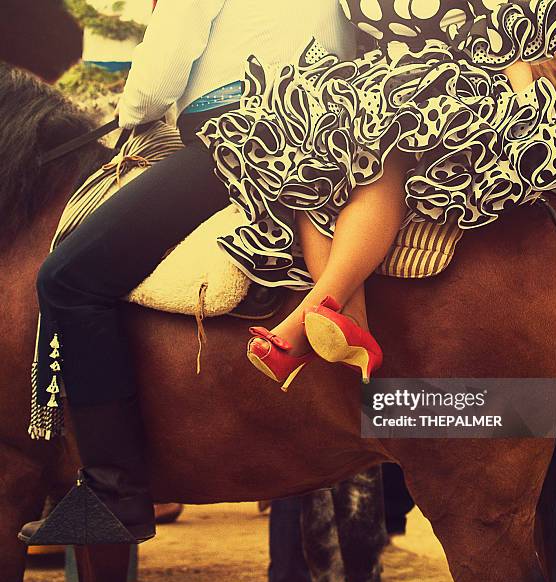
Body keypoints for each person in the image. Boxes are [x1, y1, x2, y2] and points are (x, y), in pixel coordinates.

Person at [18, 0, 356, 545]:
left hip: (236, 140)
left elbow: (158, 80)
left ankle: (114, 492)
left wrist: (132, 115)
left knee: (67, 279)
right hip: (331, 137)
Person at [197, 0, 556, 390]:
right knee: (307, 144)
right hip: (374, 83)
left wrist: (530, 114)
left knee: (384, 135)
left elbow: (507, 32)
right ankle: (351, 320)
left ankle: (308, 317)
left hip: (452, 87)